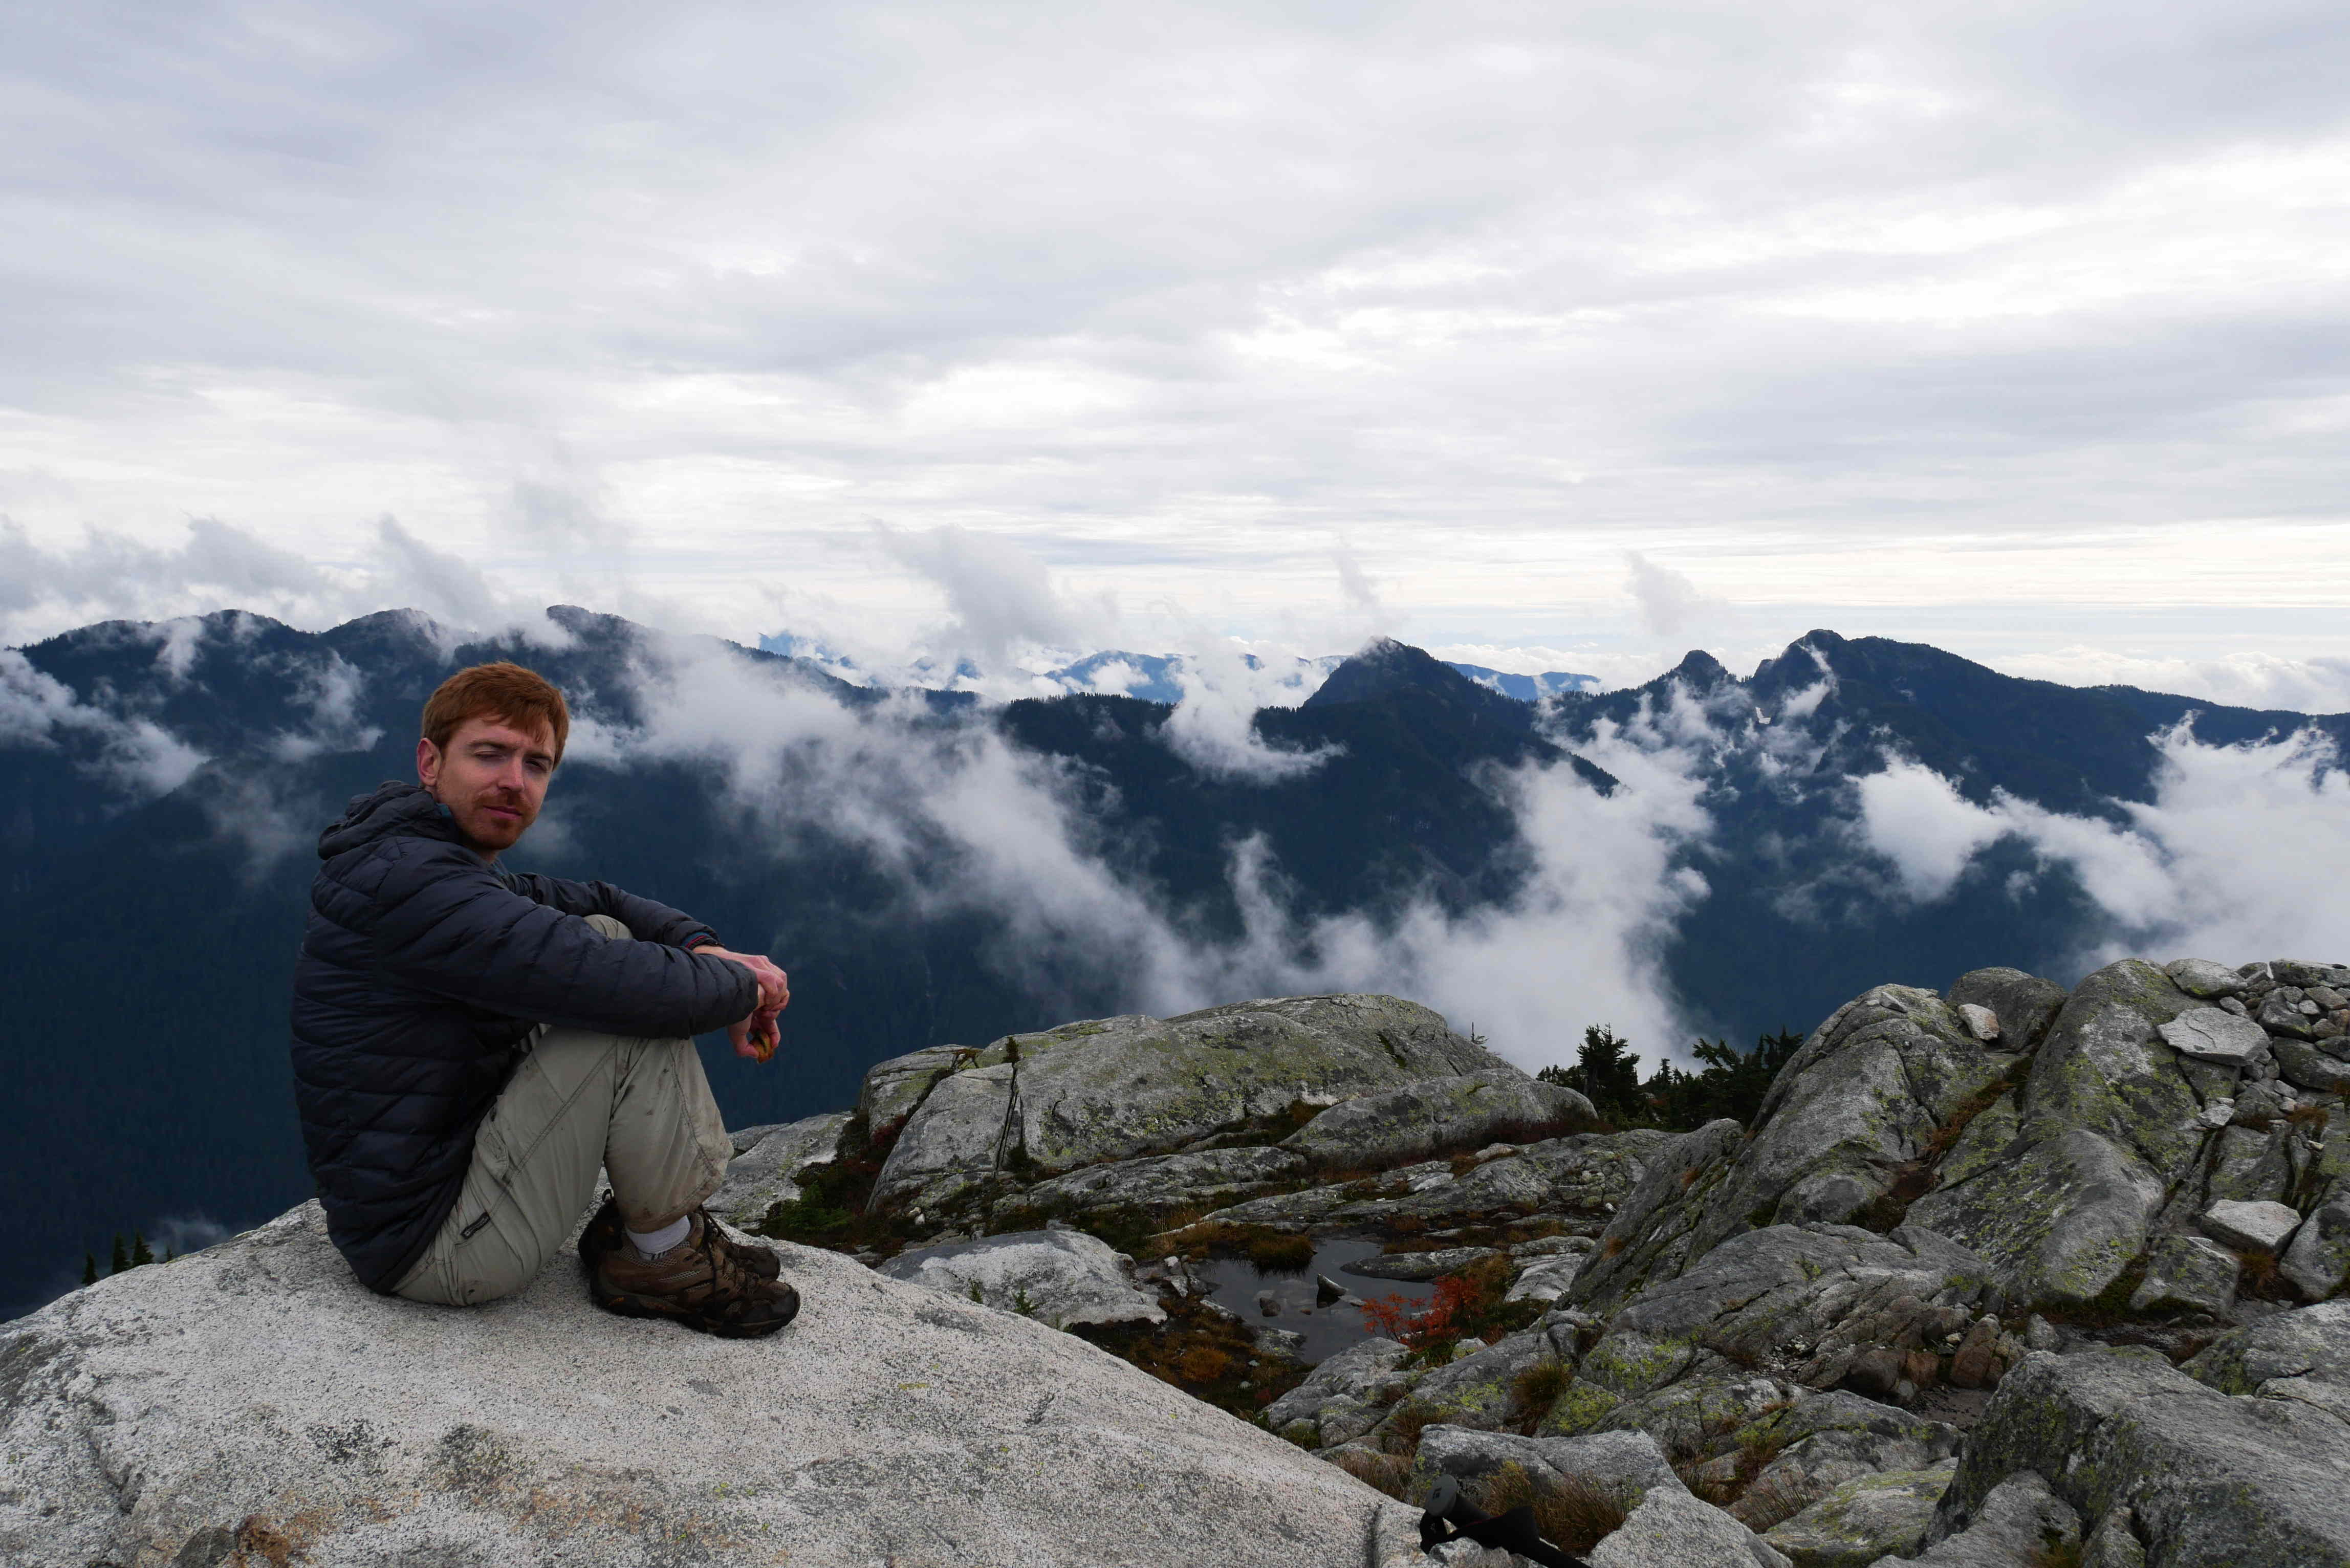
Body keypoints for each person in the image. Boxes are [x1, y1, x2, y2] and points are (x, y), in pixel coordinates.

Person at [290, 661, 801, 1337]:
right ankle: (662, 1257)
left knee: (607, 934)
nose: (514, 781)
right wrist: (745, 989)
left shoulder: (421, 858)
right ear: (430, 762)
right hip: (435, 1248)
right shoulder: (415, 885)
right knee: (623, 1010)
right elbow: (614, 984)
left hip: (439, 1178)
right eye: (489, 754)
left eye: (536, 764)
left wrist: (706, 950)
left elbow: (598, 901)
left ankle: (656, 1231)